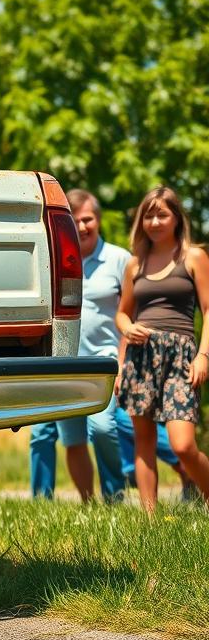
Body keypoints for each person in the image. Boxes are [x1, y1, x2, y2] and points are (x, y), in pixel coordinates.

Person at [30, 189, 127, 502]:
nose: (83, 227)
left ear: (98, 220)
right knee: (72, 439)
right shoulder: (56, 259)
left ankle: (115, 497)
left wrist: (124, 365)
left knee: (102, 428)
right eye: (76, 221)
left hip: (104, 363)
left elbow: (131, 315)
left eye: (88, 220)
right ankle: (88, 502)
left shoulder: (119, 259)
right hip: (66, 363)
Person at [116, 186, 209, 511]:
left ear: (176, 218)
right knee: (144, 441)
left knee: (183, 445)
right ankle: (150, 521)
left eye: (162, 214)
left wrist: (203, 355)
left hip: (181, 357)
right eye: (148, 215)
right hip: (140, 357)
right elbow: (123, 312)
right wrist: (127, 331)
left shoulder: (193, 256)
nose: (154, 221)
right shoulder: (135, 263)